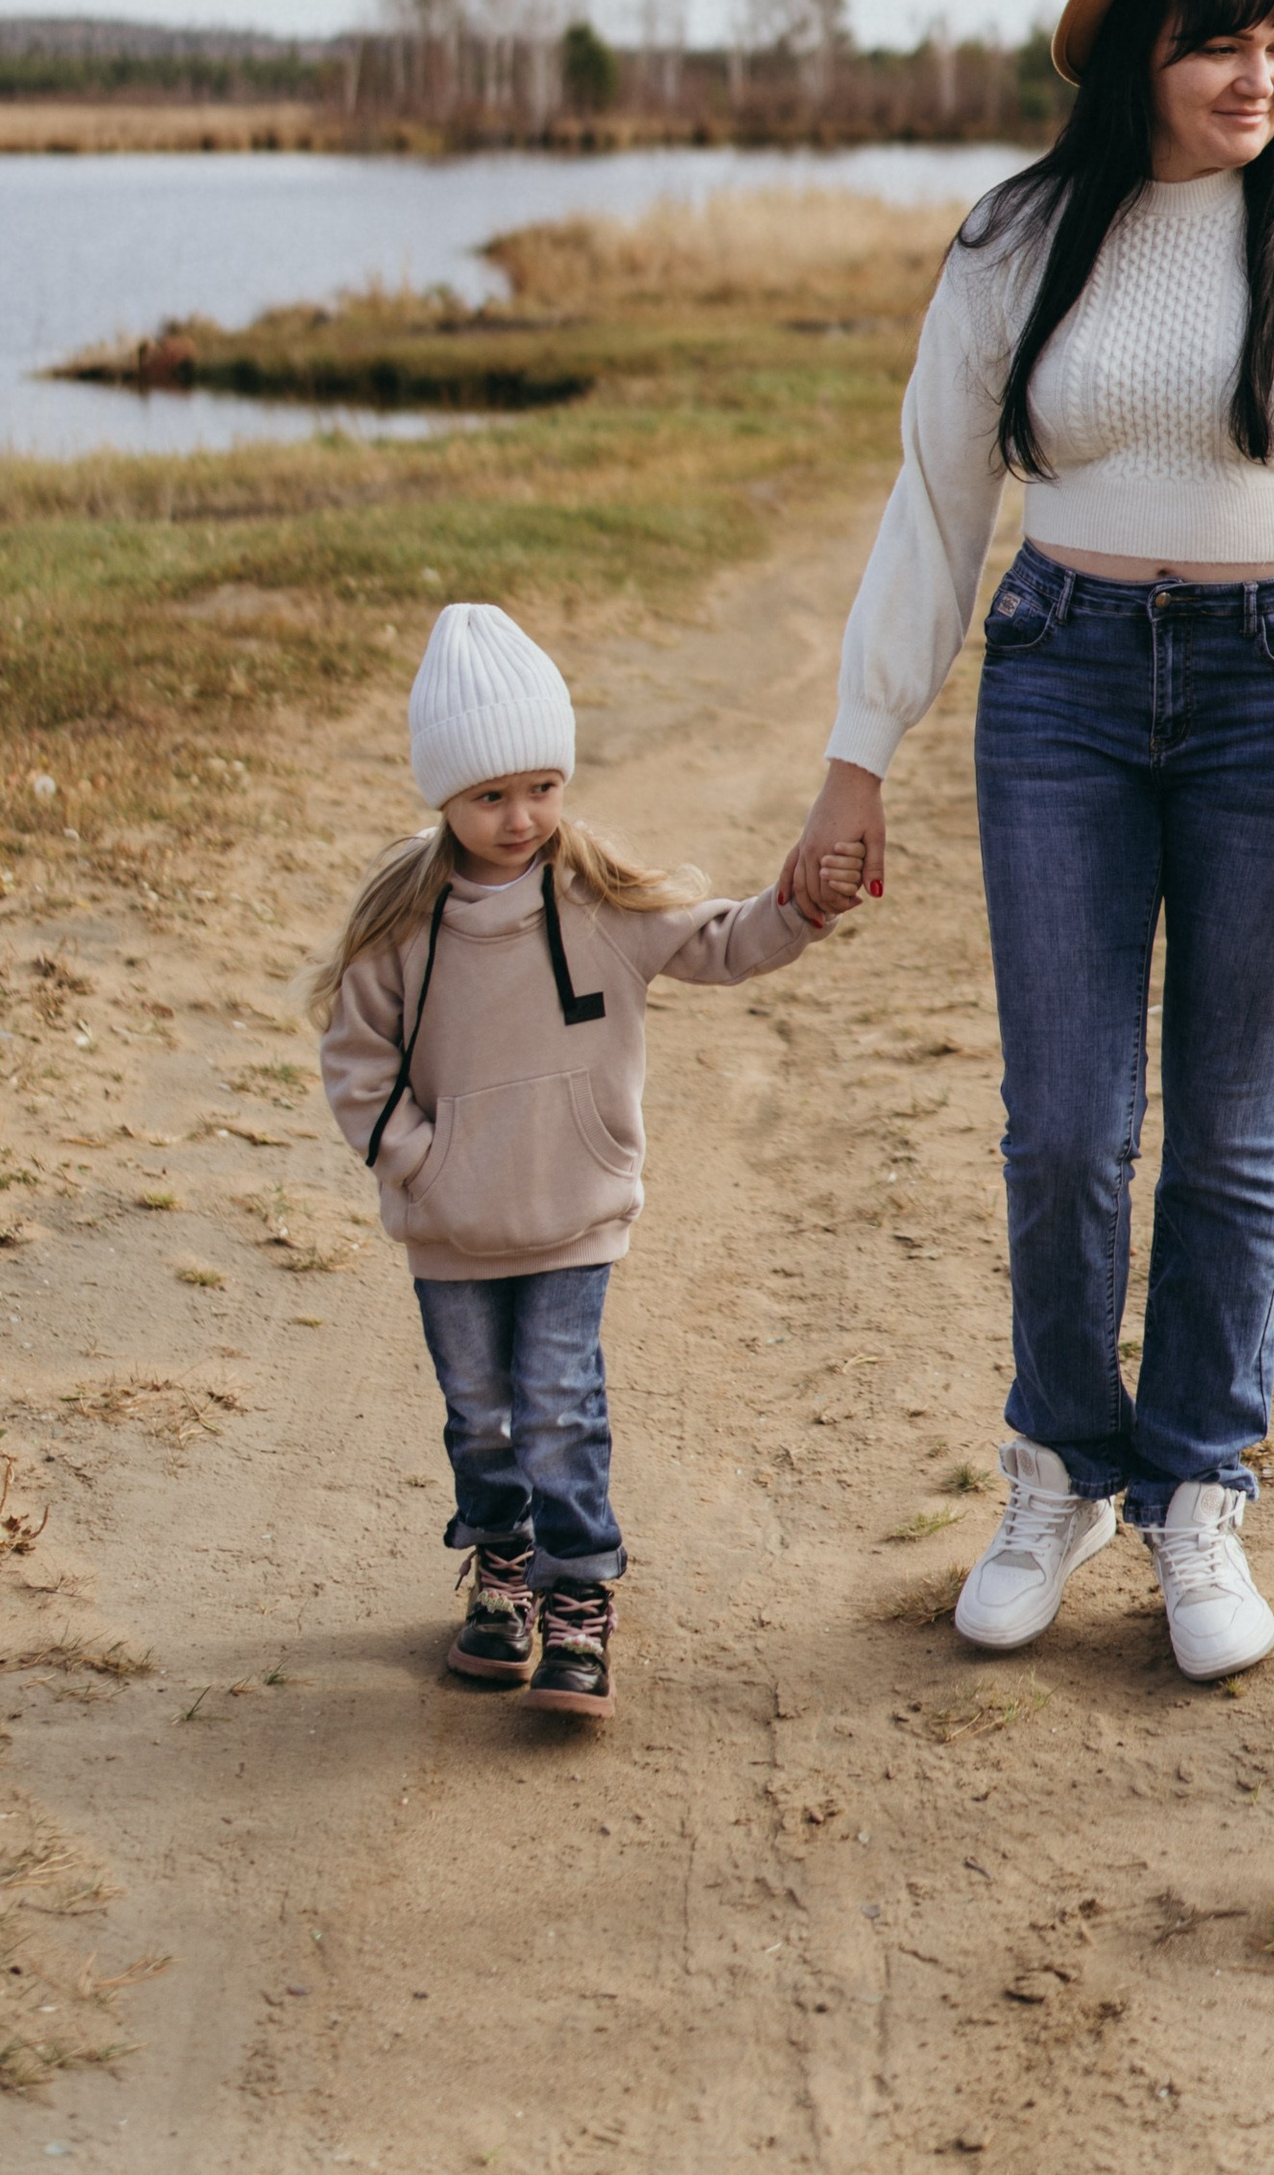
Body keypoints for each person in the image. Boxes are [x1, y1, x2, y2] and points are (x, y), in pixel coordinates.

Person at [778, 0, 1274, 1684]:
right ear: (1135, 53)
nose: (1257, 75)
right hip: (1066, 684)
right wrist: (858, 762)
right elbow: (936, 506)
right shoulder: (1019, 237)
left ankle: (1197, 1493)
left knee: (1230, 1132)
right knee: (1068, 1125)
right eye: (1216, 41)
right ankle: (1060, 1466)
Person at [316, 601, 863, 1718]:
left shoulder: (595, 896)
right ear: (443, 795)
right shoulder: (400, 926)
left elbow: (718, 941)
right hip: (450, 1227)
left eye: (541, 786)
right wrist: (416, 1158)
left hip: (573, 1212)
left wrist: (798, 906)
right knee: (478, 1413)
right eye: (489, 796)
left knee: (558, 1403)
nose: (521, 818)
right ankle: (503, 1574)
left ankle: (578, 1599)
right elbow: (354, 1057)